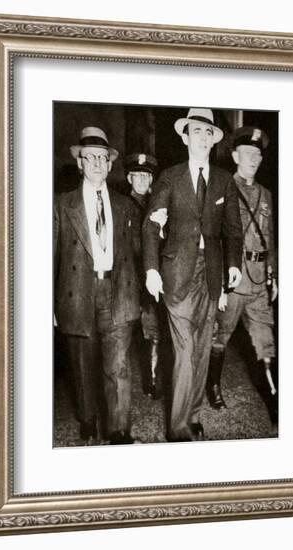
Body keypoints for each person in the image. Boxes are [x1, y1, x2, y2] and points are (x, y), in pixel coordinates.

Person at [142, 108, 243, 442]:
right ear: (185, 138)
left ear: (213, 142)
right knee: (184, 350)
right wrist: (152, 269)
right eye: (195, 132)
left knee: (200, 349)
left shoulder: (224, 180)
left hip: (211, 275)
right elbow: (151, 225)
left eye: (207, 134)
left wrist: (232, 265)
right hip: (176, 273)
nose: (201, 139)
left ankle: (194, 414)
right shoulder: (169, 178)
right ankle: (179, 429)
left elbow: (233, 230)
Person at [54, 126, 140, 445]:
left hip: (118, 292)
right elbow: (50, 256)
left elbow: (137, 251)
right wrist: (50, 304)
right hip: (78, 292)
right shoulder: (63, 204)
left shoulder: (124, 204)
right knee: (82, 365)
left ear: (110, 164)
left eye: (102, 158)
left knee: (118, 366)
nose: (97, 164)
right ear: (79, 163)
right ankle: (88, 420)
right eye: (90, 157)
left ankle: (119, 431)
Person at [208, 126, 278, 423]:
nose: (253, 158)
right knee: (220, 336)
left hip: (260, 280)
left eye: (258, 154)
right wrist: (219, 284)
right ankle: (212, 386)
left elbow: (269, 236)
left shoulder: (265, 194)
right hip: (233, 281)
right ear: (235, 155)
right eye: (247, 153)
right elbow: (215, 238)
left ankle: (275, 398)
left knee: (266, 340)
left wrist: (274, 272)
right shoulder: (222, 188)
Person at [125, 153, 166, 399]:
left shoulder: (159, 204)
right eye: (137, 175)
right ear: (129, 178)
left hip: (155, 275)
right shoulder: (121, 204)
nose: (141, 179)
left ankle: (153, 378)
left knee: (154, 328)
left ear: (151, 179)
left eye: (146, 175)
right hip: (130, 276)